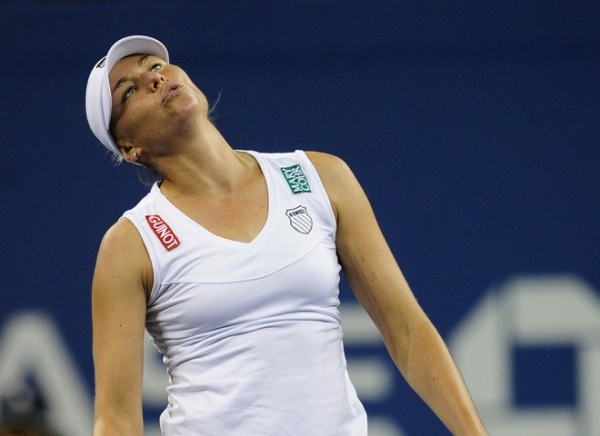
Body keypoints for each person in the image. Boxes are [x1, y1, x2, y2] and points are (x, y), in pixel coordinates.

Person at [85, 35, 487, 436]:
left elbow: (408, 330)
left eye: (155, 65)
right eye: (129, 91)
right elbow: (116, 419)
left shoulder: (320, 178)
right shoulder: (131, 244)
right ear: (129, 147)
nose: (154, 79)